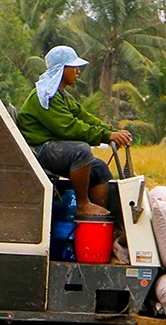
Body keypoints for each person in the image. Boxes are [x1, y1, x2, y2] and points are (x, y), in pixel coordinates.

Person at [16, 45, 132, 218]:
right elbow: (68, 128)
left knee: (99, 168)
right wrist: (106, 136)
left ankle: (100, 219)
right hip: (39, 150)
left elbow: (84, 117)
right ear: (61, 69)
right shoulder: (46, 96)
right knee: (81, 151)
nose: (78, 71)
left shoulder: (61, 95)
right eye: (74, 67)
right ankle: (83, 205)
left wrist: (112, 131)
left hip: (52, 148)